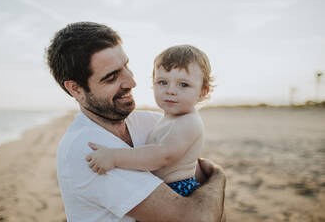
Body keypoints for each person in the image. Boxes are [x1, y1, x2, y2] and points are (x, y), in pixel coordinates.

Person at [47, 21, 226, 222]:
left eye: (126, 66)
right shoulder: (84, 148)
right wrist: (218, 178)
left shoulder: (153, 121)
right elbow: (199, 217)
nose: (132, 82)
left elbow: (192, 173)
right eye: (112, 77)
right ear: (76, 89)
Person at [86, 45, 212, 198]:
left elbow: (161, 156)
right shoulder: (169, 119)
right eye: (163, 82)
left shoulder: (188, 122)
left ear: (203, 92)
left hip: (177, 189)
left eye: (183, 84)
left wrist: (114, 157)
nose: (170, 90)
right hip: (167, 187)